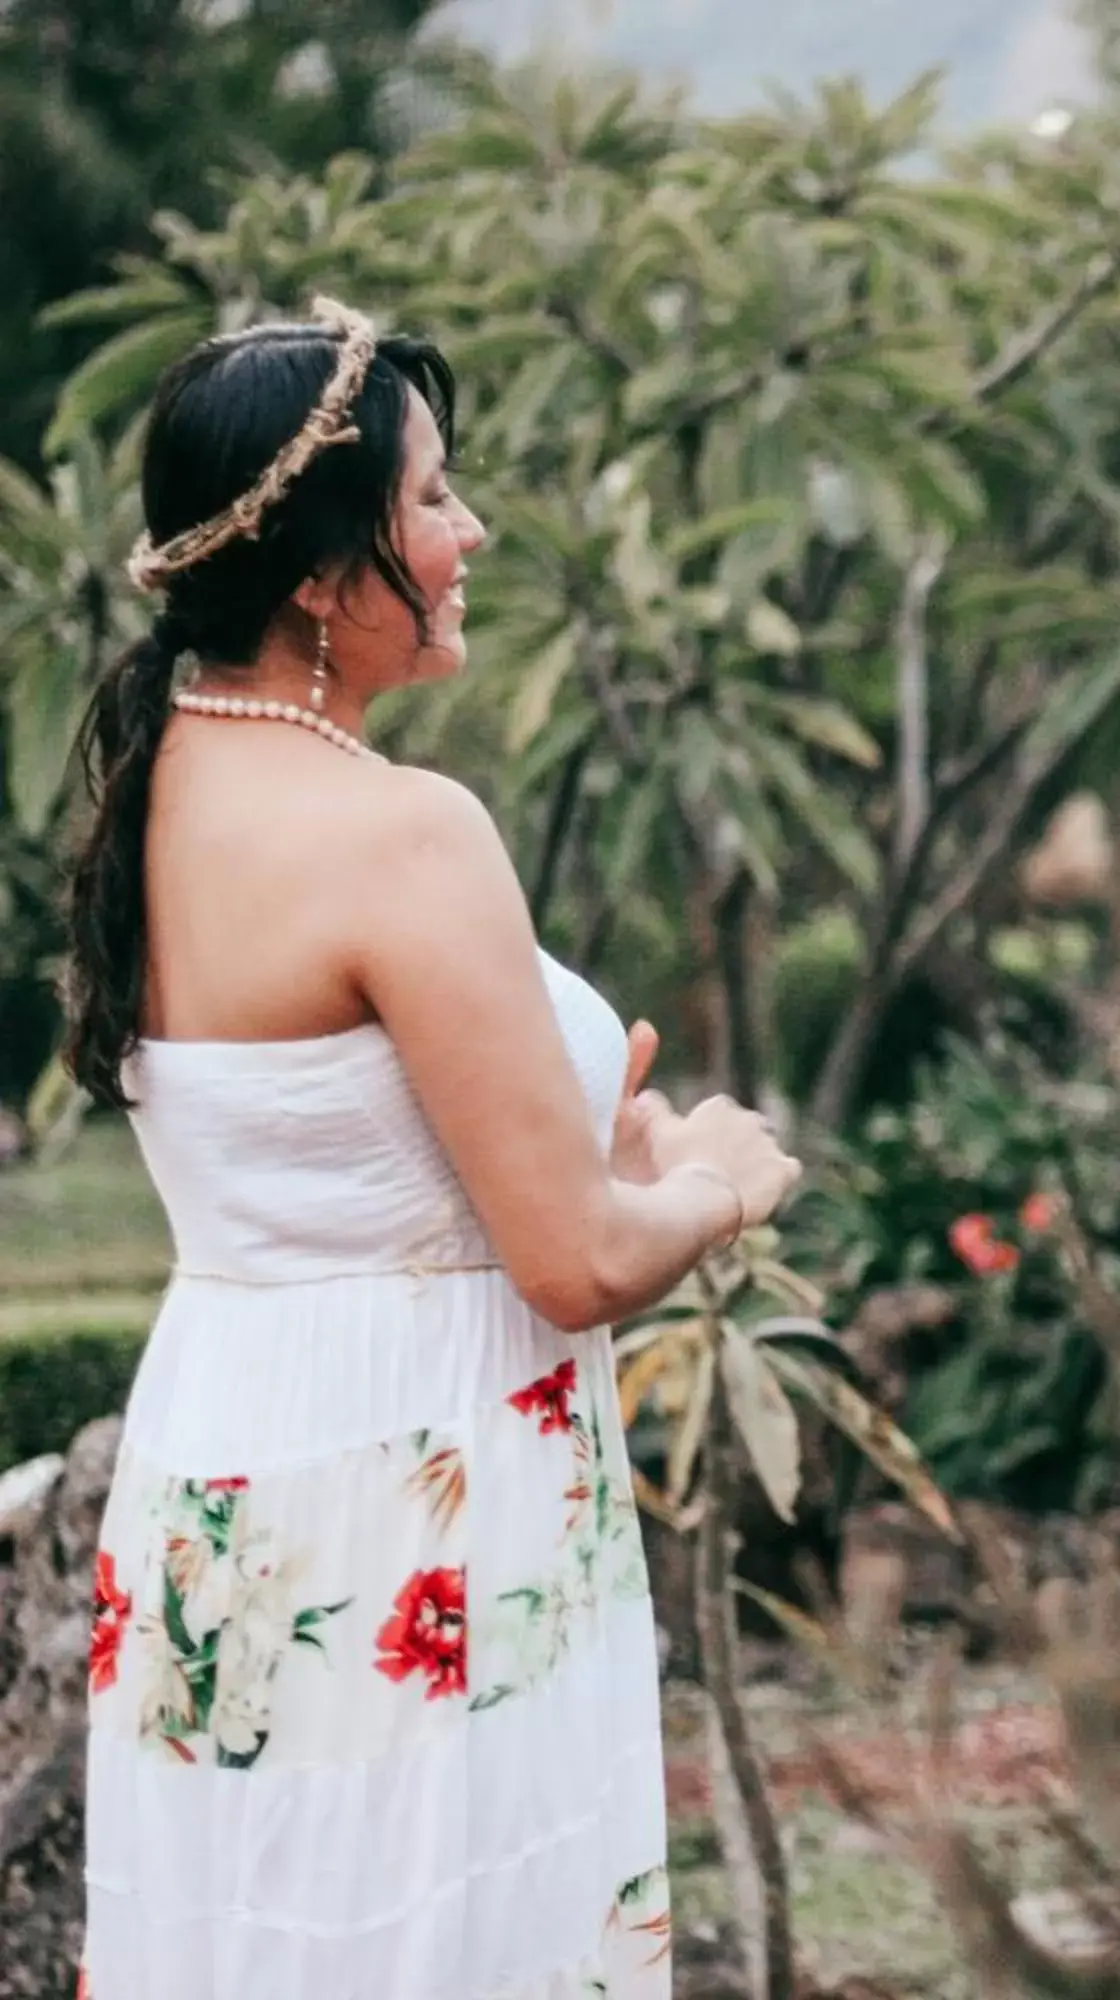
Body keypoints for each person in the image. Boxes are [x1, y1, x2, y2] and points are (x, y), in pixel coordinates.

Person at [66, 298, 801, 1998]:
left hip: (230, 1462)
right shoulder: (406, 832)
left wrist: (581, 1137)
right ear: (325, 575)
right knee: (438, 1928)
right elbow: (576, 1264)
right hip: (422, 1482)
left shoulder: (161, 781)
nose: (470, 535)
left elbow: (339, 1157)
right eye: (434, 501)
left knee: (259, 1925)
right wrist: (714, 1175)